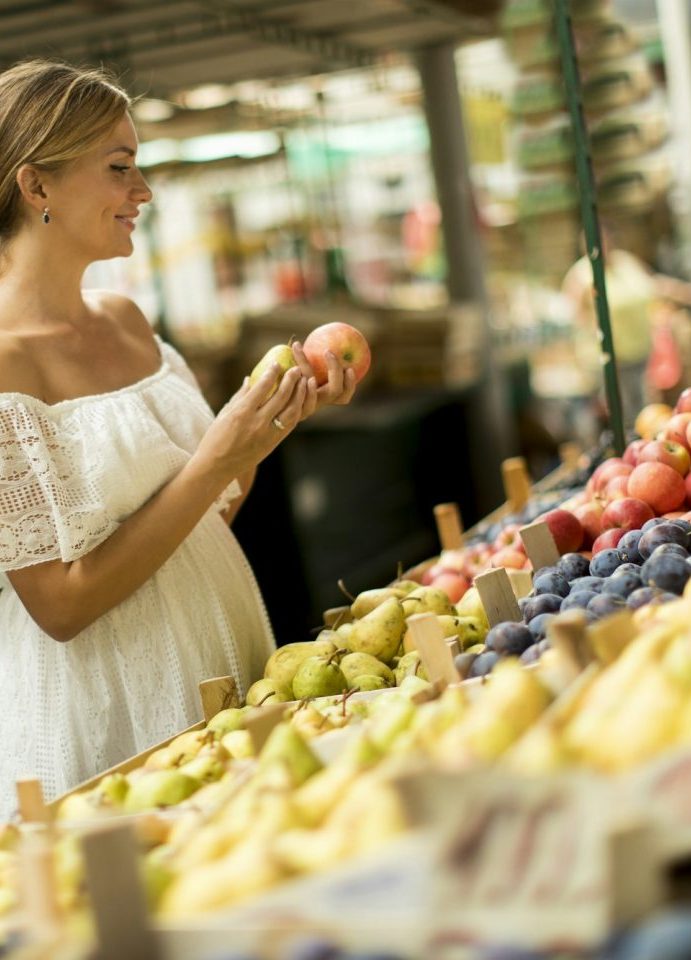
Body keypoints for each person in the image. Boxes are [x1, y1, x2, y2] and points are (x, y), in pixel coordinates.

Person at [0, 59, 356, 815]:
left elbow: (211, 506)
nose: (143, 191)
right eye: (120, 168)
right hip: (111, 708)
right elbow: (59, 607)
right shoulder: (4, 364)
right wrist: (218, 456)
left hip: (222, 650)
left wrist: (271, 422)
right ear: (36, 187)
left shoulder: (127, 321)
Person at [561, 226, 657, 430]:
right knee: (620, 419)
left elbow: (652, 285)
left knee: (644, 416)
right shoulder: (581, 274)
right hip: (608, 362)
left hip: (638, 355)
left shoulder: (625, 262)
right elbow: (574, 321)